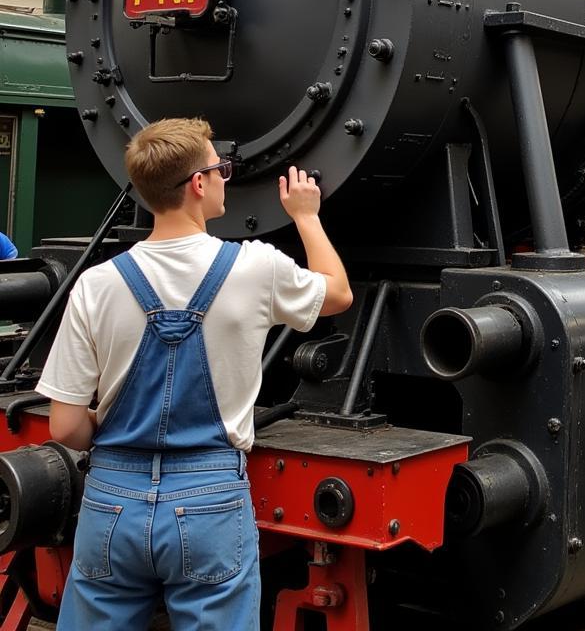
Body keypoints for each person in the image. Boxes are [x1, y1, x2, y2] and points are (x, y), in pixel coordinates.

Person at [35, 118, 353, 630]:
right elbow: (336, 292)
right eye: (220, 167)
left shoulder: (96, 284)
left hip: (112, 499)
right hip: (210, 499)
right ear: (198, 184)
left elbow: (65, 429)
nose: (226, 175)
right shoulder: (256, 267)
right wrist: (305, 215)